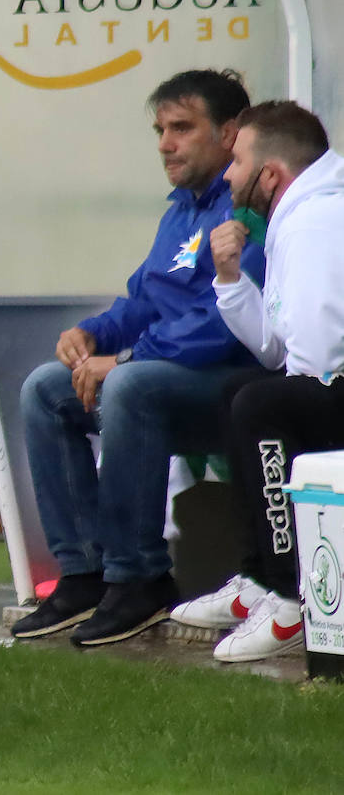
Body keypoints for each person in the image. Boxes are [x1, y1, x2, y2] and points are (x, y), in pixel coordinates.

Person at [11, 69, 268, 647]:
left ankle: (140, 580)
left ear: (230, 134)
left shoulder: (248, 208)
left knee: (130, 387)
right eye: (159, 130)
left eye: (181, 127)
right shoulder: (182, 209)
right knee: (46, 389)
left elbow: (225, 323)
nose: (165, 144)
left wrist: (126, 362)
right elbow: (145, 300)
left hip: (237, 388)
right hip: (168, 379)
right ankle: (84, 574)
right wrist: (90, 334)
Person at [172, 101, 344, 662]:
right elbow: (274, 346)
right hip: (329, 381)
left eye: (238, 160)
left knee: (259, 403)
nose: (228, 174)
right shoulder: (298, 217)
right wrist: (229, 279)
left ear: (271, 175)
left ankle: (291, 596)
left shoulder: (316, 222)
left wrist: (282, 394)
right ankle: (256, 583)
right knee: (240, 393)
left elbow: (315, 360)